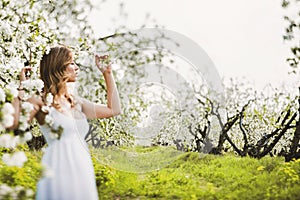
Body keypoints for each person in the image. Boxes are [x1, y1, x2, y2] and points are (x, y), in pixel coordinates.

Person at [11, 45, 121, 200]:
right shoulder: (41, 101)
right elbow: (14, 123)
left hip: (82, 167)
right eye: (72, 63)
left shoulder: (75, 102)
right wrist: (22, 88)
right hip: (58, 168)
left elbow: (113, 110)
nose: (76, 67)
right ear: (58, 67)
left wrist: (107, 73)